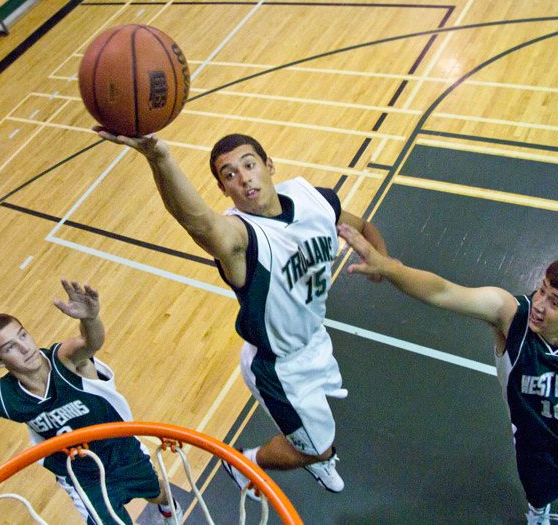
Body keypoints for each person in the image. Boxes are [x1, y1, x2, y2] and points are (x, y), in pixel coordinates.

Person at [95, 129, 387, 496]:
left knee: (314, 431)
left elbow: (359, 226)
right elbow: (197, 222)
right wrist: (160, 158)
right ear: (223, 189)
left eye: (249, 165)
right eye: (229, 174)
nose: (244, 177)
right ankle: (246, 462)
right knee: (316, 445)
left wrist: (381, 260)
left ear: (269, 165)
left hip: (313, 340)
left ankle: (313, 454)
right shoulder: (239, 238)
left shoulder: (313, 200)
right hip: (278, 367)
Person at [337, 223, 558, 525]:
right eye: (542, 289)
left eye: (555, 302)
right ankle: (540, 508)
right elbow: (443, 291)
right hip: (538, 447)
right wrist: (391, 269)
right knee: (537, 495)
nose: (539, 304)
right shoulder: (510, 316)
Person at [0, 280, 181, 525]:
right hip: (81, 476)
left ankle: (169, 505)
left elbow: (90, 342)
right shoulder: (4, 397)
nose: (25, 347)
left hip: (121, 452)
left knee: (156, 492)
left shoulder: (65, 359)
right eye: (10, 347)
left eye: (23, 335)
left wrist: (91, 318)